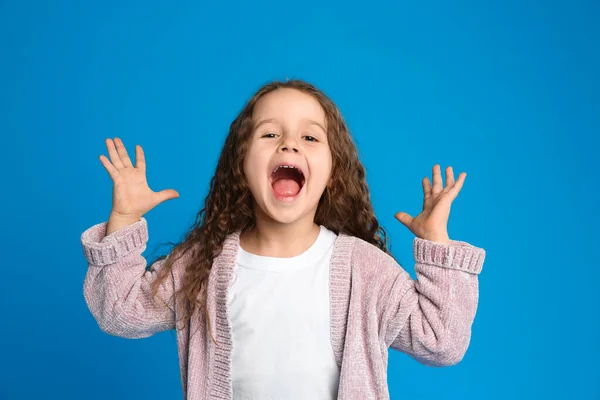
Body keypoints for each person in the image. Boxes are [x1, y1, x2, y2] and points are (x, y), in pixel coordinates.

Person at [80, 79, 486, 400]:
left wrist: (436, 244)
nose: (289, 143)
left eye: (310, 138)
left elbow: (442, 342)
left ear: (332, 171)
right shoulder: (203, 265)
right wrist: (124, 219)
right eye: (269, 134)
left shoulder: (364, 269)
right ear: (241, 163)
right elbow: (121, 314)